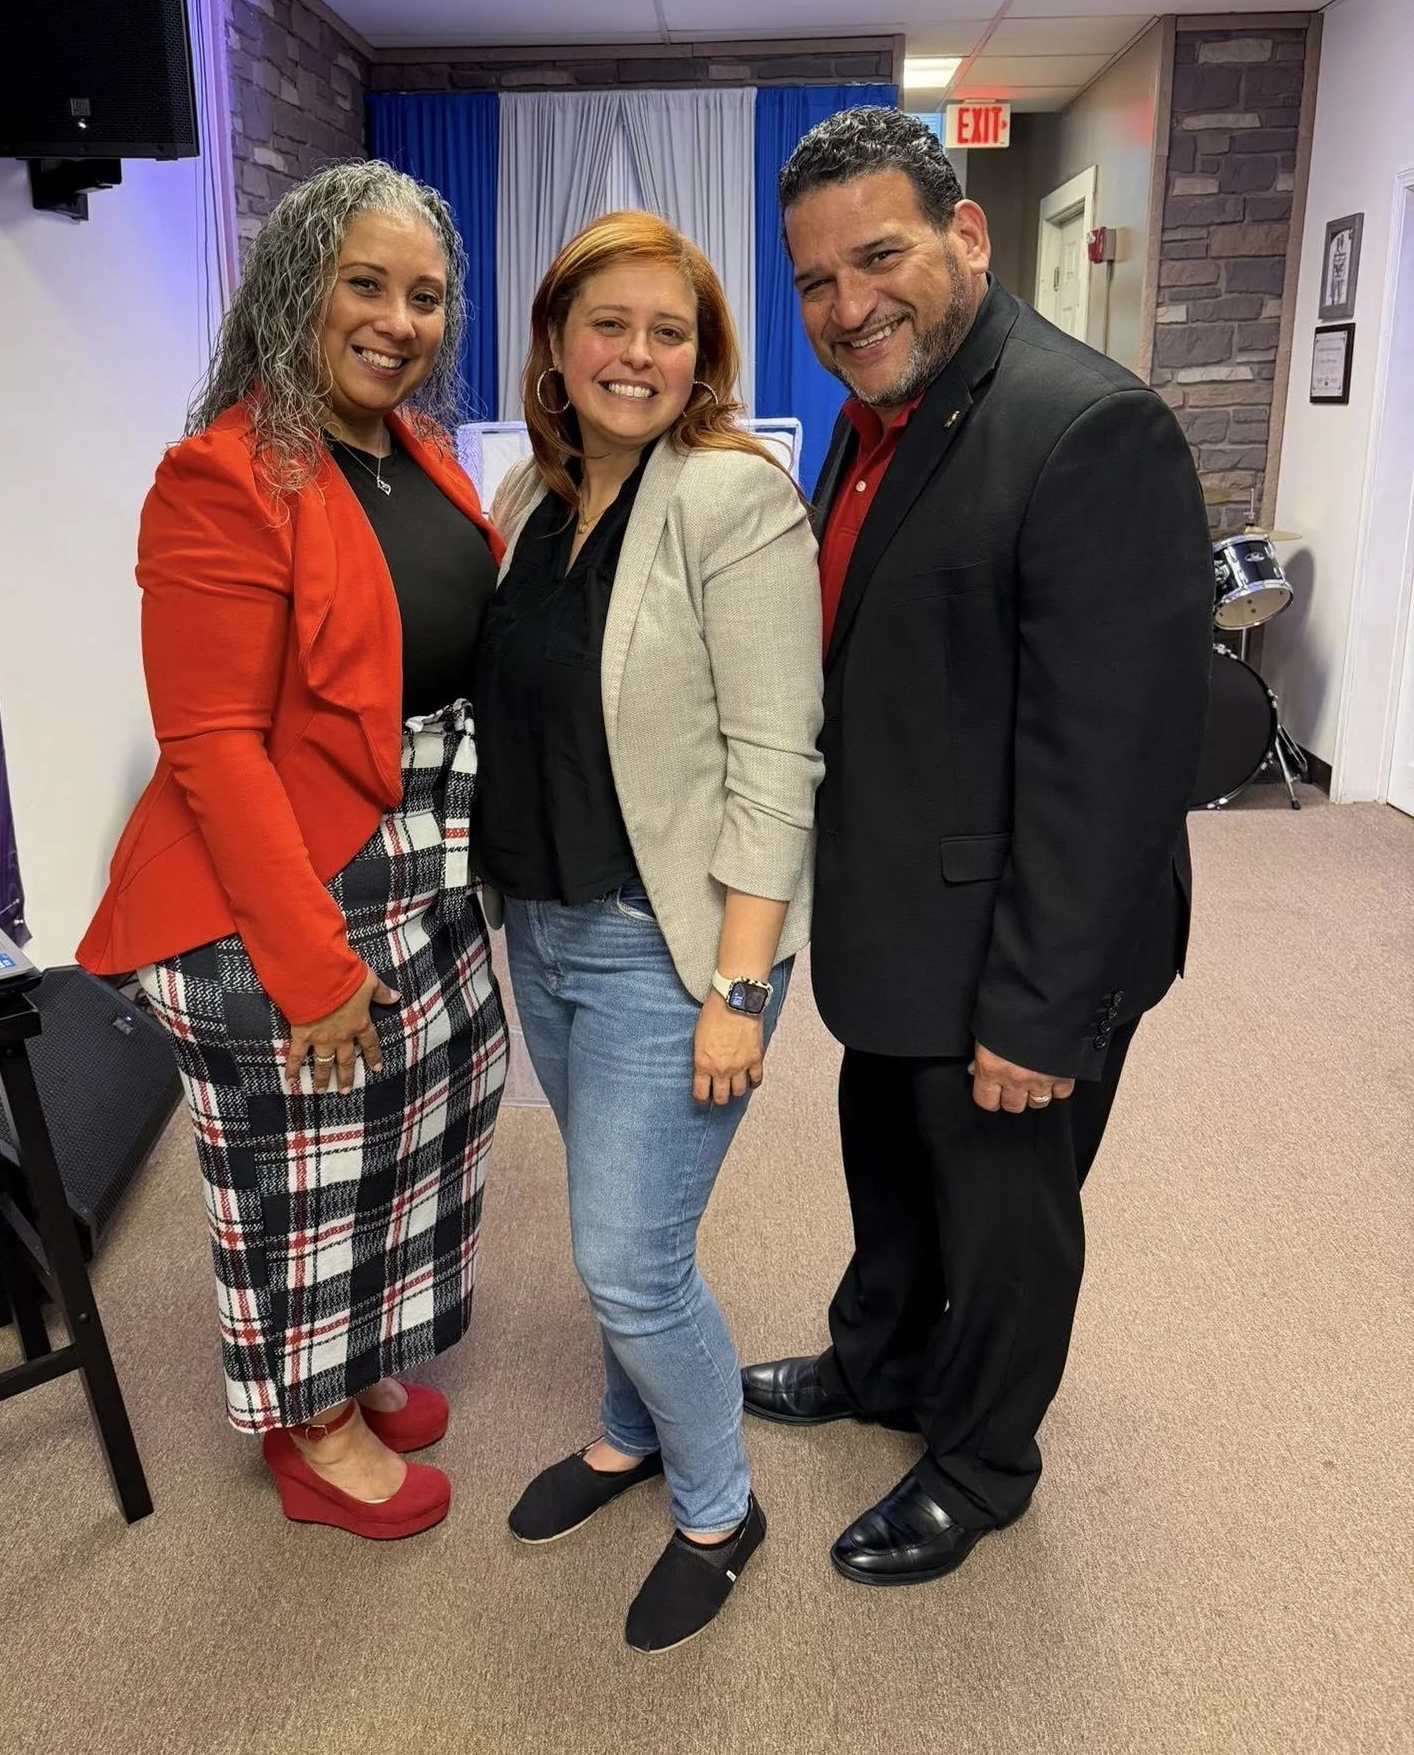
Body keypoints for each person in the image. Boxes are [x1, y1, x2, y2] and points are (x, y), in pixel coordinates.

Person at [742, 108, 1214, 1584]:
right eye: (814, 281)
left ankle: (982, 1461)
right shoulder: (877, 418)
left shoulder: (1086, 427)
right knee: (889, 1167)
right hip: (904, 917)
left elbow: (1113, 768)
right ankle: (880, 1363)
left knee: (1006, 1221)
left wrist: (1036, 1015)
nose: (847, 306)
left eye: (878, 257)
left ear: (967, 235)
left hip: (1025, 937)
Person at [78, 160, 508, 1541]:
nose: (398, 319)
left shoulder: (420, 453)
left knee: (409, 1129)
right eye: (365, 286)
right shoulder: (221, 479)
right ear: (296, 292)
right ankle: (309, 1434)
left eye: (425, 295)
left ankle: (363, 1362)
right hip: (278, 890)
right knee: (309, 1165)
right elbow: (209, 747)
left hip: (413, 857)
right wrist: (310, 965)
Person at [476, 211, 823, 1653]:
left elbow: (777, 759)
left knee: (630, 1256)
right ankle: (626, 1432)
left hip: (669, 946)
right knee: (611, 1219)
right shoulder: (520, 501)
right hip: (543, 931)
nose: (637, 353)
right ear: (556, 343)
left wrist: (741, 987)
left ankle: (719, 1507)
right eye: (607, 324)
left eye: (667, 331)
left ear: (704, 359)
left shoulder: (734, 501)